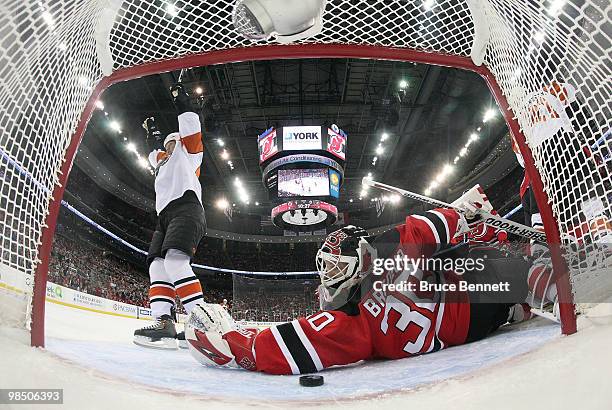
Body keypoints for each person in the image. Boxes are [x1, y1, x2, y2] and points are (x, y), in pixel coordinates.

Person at [185, 188, 548, 374]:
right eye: (325, 269)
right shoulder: (388, 260)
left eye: (333, 268)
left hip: (468, 324)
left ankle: (523, 291)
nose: (327, 279)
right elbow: (423, 228)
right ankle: (530, 282)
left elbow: (292, 344)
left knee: (473, 259)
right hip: (476, 302)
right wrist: (463, 215)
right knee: (478, 259)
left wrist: (234, 344)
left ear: (358, 265)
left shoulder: (351, 323)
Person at [133, 83, 207, 350]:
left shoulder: (191, 157)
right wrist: (151, 129)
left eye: (174, 141)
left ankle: (202, 323)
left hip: (187, 208)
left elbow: (190, 126)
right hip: (165, 216)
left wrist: (181, 101)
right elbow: (152, 149)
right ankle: (164, 323)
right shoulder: (162, 161)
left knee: (176, 261)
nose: (171, 145)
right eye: (168, 143)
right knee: (157, 266)